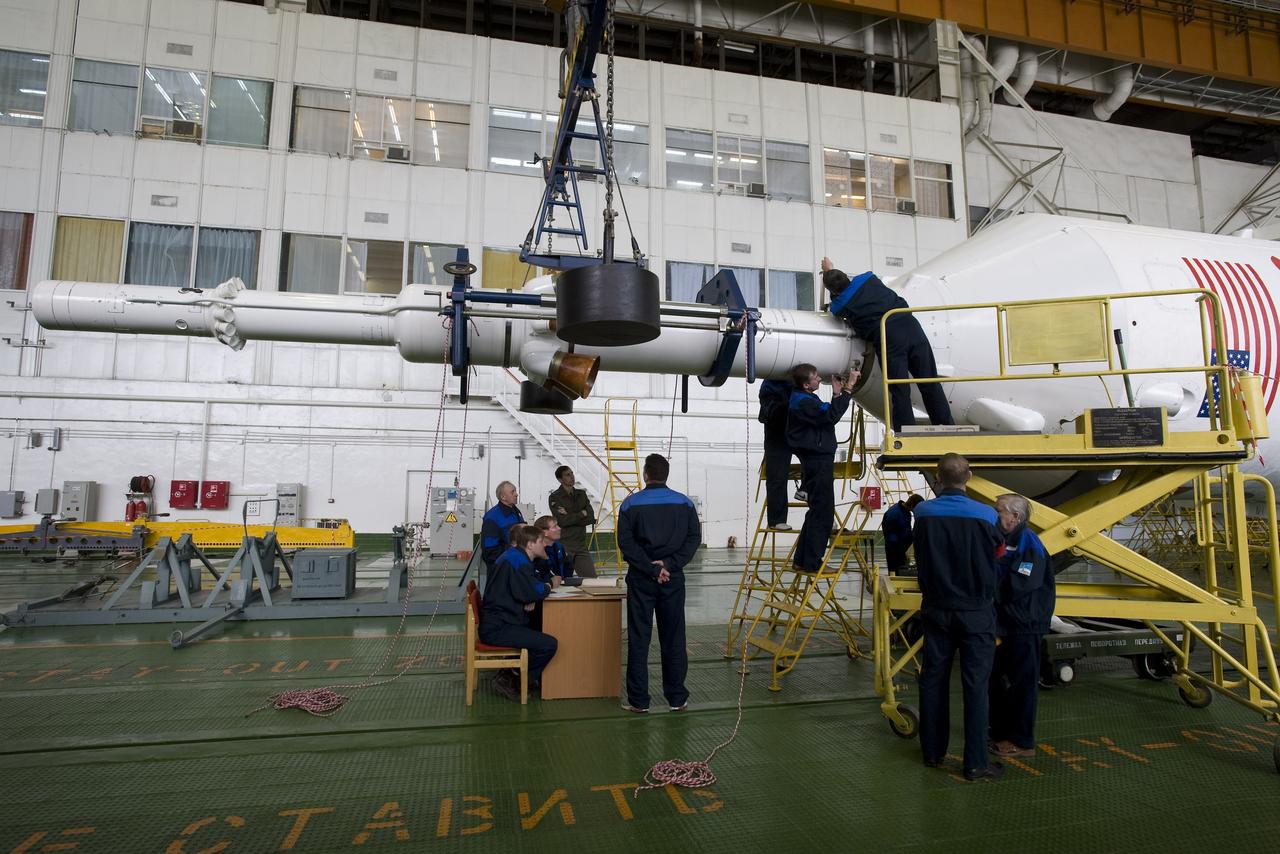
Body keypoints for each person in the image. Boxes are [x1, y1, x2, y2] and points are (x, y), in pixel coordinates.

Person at [913, 453, 1004, 781]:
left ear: (937, 477)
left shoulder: (923, 513)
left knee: (933, 679)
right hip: (976, 611)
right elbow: (998, 553)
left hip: (936, 608)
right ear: (970, 476)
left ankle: (933, 752)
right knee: (976, 684)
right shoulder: (986, 515)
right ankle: (976, 763)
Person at [821, 257, 953, 431]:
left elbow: (835, 307)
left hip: (889, 336)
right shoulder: (868, 278)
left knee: (899, 389)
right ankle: (946, 425)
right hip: (911, 325)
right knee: (929, 380)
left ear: (834, 291)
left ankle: (906, 431)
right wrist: (832, 270)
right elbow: (846, 285)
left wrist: (827, 274)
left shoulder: (841, 305)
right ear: (846, 276)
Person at [617, 453, 701, 713]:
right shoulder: (684, 503)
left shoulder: (630, 504)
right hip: (673, 579)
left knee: (639, 638)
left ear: (645, 474)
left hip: (642, 580)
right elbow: (693, 539)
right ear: (666, 474)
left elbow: (626, 543)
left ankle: (639, 701)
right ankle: (677, 698)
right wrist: (669, 566)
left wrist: (651, 569)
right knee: (674, 638)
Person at [988, 493, 1054, 759]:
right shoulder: (1003, 540)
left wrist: (989, 592)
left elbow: (1021, 584)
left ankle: (1022, 741)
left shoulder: (1030, 544)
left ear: (1014, 517)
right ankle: (1000, 732)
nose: (995, 515)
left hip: (1025, 624)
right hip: (1005, 623)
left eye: (999, 510)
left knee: (1022, 683)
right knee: (995, 678)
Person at [479, 524, 561, 701]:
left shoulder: (515, 557)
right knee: (549, 644)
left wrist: (532, 594)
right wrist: (549, 585)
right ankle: (511, 678)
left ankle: (517, 674)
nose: (545, 545)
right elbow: (534, 590)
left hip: (500, 619)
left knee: (538, 626)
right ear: (530, 545)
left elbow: (529, 588)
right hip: (499, 627)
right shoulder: (519, 562)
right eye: (541, 541)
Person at [786, 363, 854, 573]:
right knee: (823, 513)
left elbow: (827, 412)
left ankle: (802, 560)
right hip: (817, 460)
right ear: (806, 384)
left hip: (816, 459)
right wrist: (848, 389)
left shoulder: (805, 399)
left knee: (816, 511)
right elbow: (830, 417)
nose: (818, 379)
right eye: (815, 377)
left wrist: (837, 394)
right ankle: (813, 563)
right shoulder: (803, 403)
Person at [758, 378, 796, 530]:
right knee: (777, 477)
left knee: (817, 465)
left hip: (792, 429)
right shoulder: (771, 386)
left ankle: (777, 519)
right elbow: (771, 412)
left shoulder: (793, 384)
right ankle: (776, 519)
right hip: (778, 432)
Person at [548, 466, 598, 577]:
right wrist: (581, 514)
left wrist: (569, 514)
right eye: (567, 475)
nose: (572, 477)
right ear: (560, 479)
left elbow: (590, 518)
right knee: (563, 580)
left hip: (580, 544)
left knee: (591, 579)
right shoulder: (555, 497)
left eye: (572, 474)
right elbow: (562, 521)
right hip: (565, 545)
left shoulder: (581, 494)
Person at [481, 481, 525, 576]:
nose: (516, 494)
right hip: (502, 570)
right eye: (512, 492)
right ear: (503, 497)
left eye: (515, 491)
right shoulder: (492, 517)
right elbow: (490, 552)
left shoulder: (516, 512)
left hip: (517, 565)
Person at [882, 494, 924, 573]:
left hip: (901, 547)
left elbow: (905, 529)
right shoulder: (893, 513)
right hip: (895, 548)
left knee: (902, 570)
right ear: (912, 505)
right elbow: (889, 533)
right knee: (895, 571)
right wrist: (901, 546)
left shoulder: (905, 512)